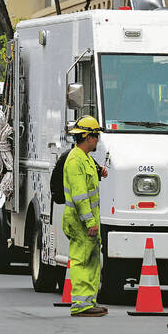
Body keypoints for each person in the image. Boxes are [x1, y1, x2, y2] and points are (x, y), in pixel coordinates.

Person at [63, 115, 109, 317]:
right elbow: (80, 197)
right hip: (80, 221)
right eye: (96, 136)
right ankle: (81, 305)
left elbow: (88, 185)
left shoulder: (85, 159)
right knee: (81, 261)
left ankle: (89, 302)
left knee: (91, 261)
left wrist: (99, 171)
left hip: (86, 221)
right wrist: (90, 222)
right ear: (88, 137)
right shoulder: (75, 161)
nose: (97, 140)